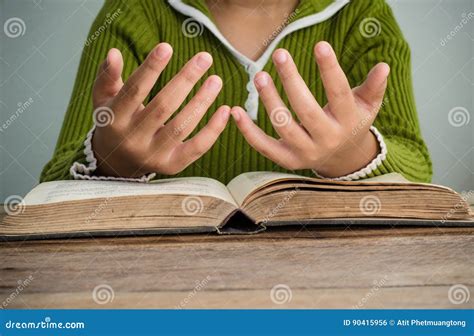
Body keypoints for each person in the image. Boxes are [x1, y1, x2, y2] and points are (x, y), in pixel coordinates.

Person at [41, 0, 432, 184]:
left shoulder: (363, 14)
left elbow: (418, 169)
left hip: (327, 274)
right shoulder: (134, 11)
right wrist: (113, 160)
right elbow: (57, 176)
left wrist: (354, 155)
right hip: (156, 274)